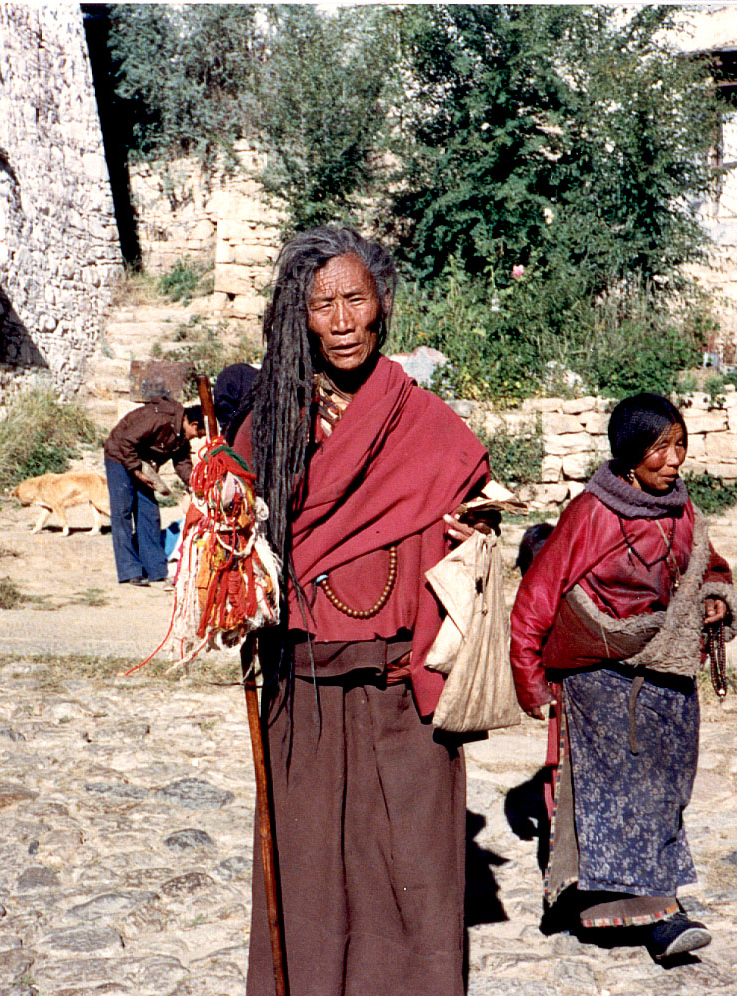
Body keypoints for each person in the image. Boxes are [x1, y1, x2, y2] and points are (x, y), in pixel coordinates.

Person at [232, 227, 492, 996]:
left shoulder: (428, 426)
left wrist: (477, 531)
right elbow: (236, 551)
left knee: (413, 867)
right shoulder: (272, 427)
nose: (342, 321)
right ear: (297, 317)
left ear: (383, 308)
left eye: (356, 299)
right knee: (306, 872)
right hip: (301, 687)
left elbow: (470, 530)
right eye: (322, 305)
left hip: (401, 686)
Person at [509, 392, 737, 961]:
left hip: (668, 667)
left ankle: (607, 900)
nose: (673, 460)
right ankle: (660, 916)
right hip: (602, 677)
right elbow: (537, 595)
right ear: (629, 454)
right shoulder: (592, 513)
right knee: (626, 794)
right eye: (659, 448)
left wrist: (714, 599)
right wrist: (530, 678)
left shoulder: (681, 508)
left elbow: (709, 567)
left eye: (679, 446)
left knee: (666, 788)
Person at [103, 398, 203, 586]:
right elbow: (126, 442)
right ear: (193, 424)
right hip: (119, 456)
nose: (197, 438)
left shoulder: (181, 435)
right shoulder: (159, 418)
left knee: (149, 513)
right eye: (198, 433)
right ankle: (130, 570)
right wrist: (137, 472)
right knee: (123, 511)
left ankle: (155, 569)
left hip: (142, 465)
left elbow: (181, 462)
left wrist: (195, 484)